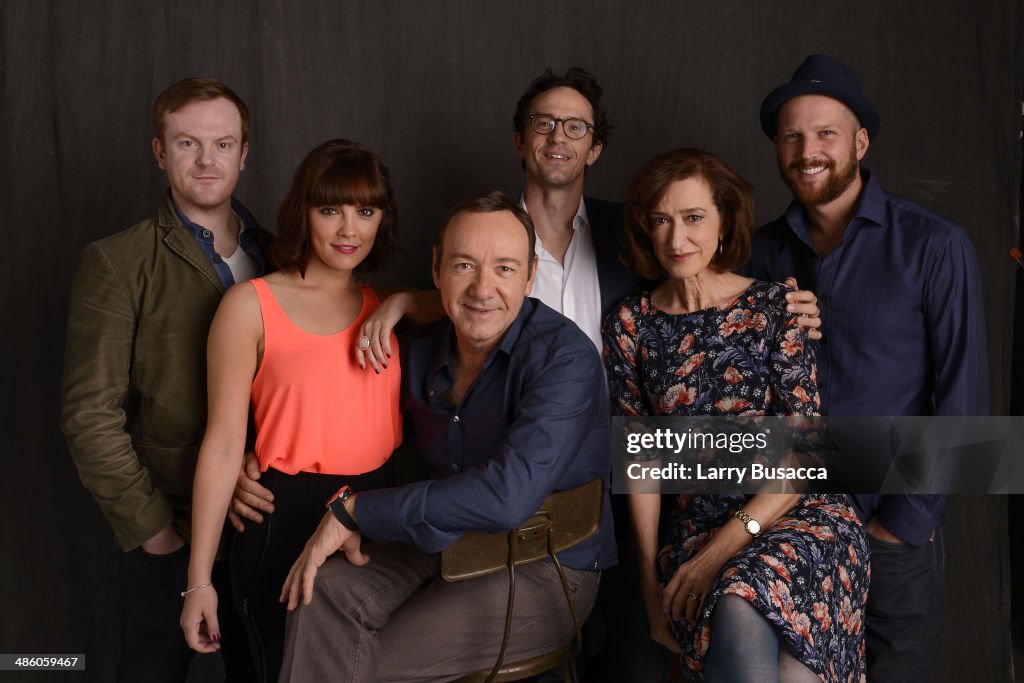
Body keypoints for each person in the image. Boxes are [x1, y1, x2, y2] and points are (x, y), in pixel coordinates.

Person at [274, 191, 616, 681]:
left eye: (504, 268)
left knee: (362, 667)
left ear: (530, 276)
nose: (482, 288)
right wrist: (259, 456)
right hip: (440, 539)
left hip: (547, 563)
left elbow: (504, 499)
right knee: (321, 589)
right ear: (437, 270)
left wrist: (357, 512)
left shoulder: (565, 359)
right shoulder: (418, 349)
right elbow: (342, 418)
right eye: (464, 265)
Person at [747, 54, 990, 682]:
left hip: (889, 527)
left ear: (860, 141)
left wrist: (901, 526)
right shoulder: (759, 253)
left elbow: (963, 403)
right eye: (792, 135)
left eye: (826, 133)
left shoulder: (935, 246)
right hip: (787, 534)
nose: (808, 150)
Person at [604, 148, 869, 682]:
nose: (677, 240)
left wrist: (719, 553)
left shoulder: (775, 307)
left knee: (737, 595)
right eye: (661, 220)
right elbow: (643, 462)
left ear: (724, 223)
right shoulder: (631, 324)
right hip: (696, 530)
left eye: (694, 218)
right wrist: (652, 585)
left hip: (799, 519)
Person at [60, 77, 267, 682]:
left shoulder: (283, 255)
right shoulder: (119, 263)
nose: (207, 161)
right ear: (159, 152)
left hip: (264, 528)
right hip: (170, 528)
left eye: (223, 144)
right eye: (187, 144)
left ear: (244, 152)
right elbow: (88, 418)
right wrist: (155, 533)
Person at [179, 139, 402, 682]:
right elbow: (224, 443)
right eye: (331, 209)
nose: (350, 229)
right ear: (302, 212)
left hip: (380, 513)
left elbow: (468, 301)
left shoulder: (386, 304)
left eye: (366, 211)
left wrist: (401, 303)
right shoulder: (249, 305)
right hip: (284, 516)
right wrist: (199, 581)